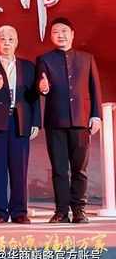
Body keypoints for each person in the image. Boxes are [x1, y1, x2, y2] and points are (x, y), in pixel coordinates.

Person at [36, 17, 102, 224]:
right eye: (56, 32)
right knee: (59, 170)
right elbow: (40, 85)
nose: (61, 35)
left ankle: (79, 210)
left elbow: (95, 89)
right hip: (55, 121)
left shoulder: (86, 58)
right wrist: (42, 88)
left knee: (79, 169)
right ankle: (61, 211)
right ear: (51, 36)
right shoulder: (44, 59)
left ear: (72, 34)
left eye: (64, 31)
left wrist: (96, 115)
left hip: (81, 120)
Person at [0, 25, 40, 224]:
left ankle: (19, 212)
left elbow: (34, 96)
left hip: (20, 121)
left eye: (10, 39)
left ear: (17, 42)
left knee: (19, 168)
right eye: (3, 39)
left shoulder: (28, 67)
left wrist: (35, 122)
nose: (7, 43)